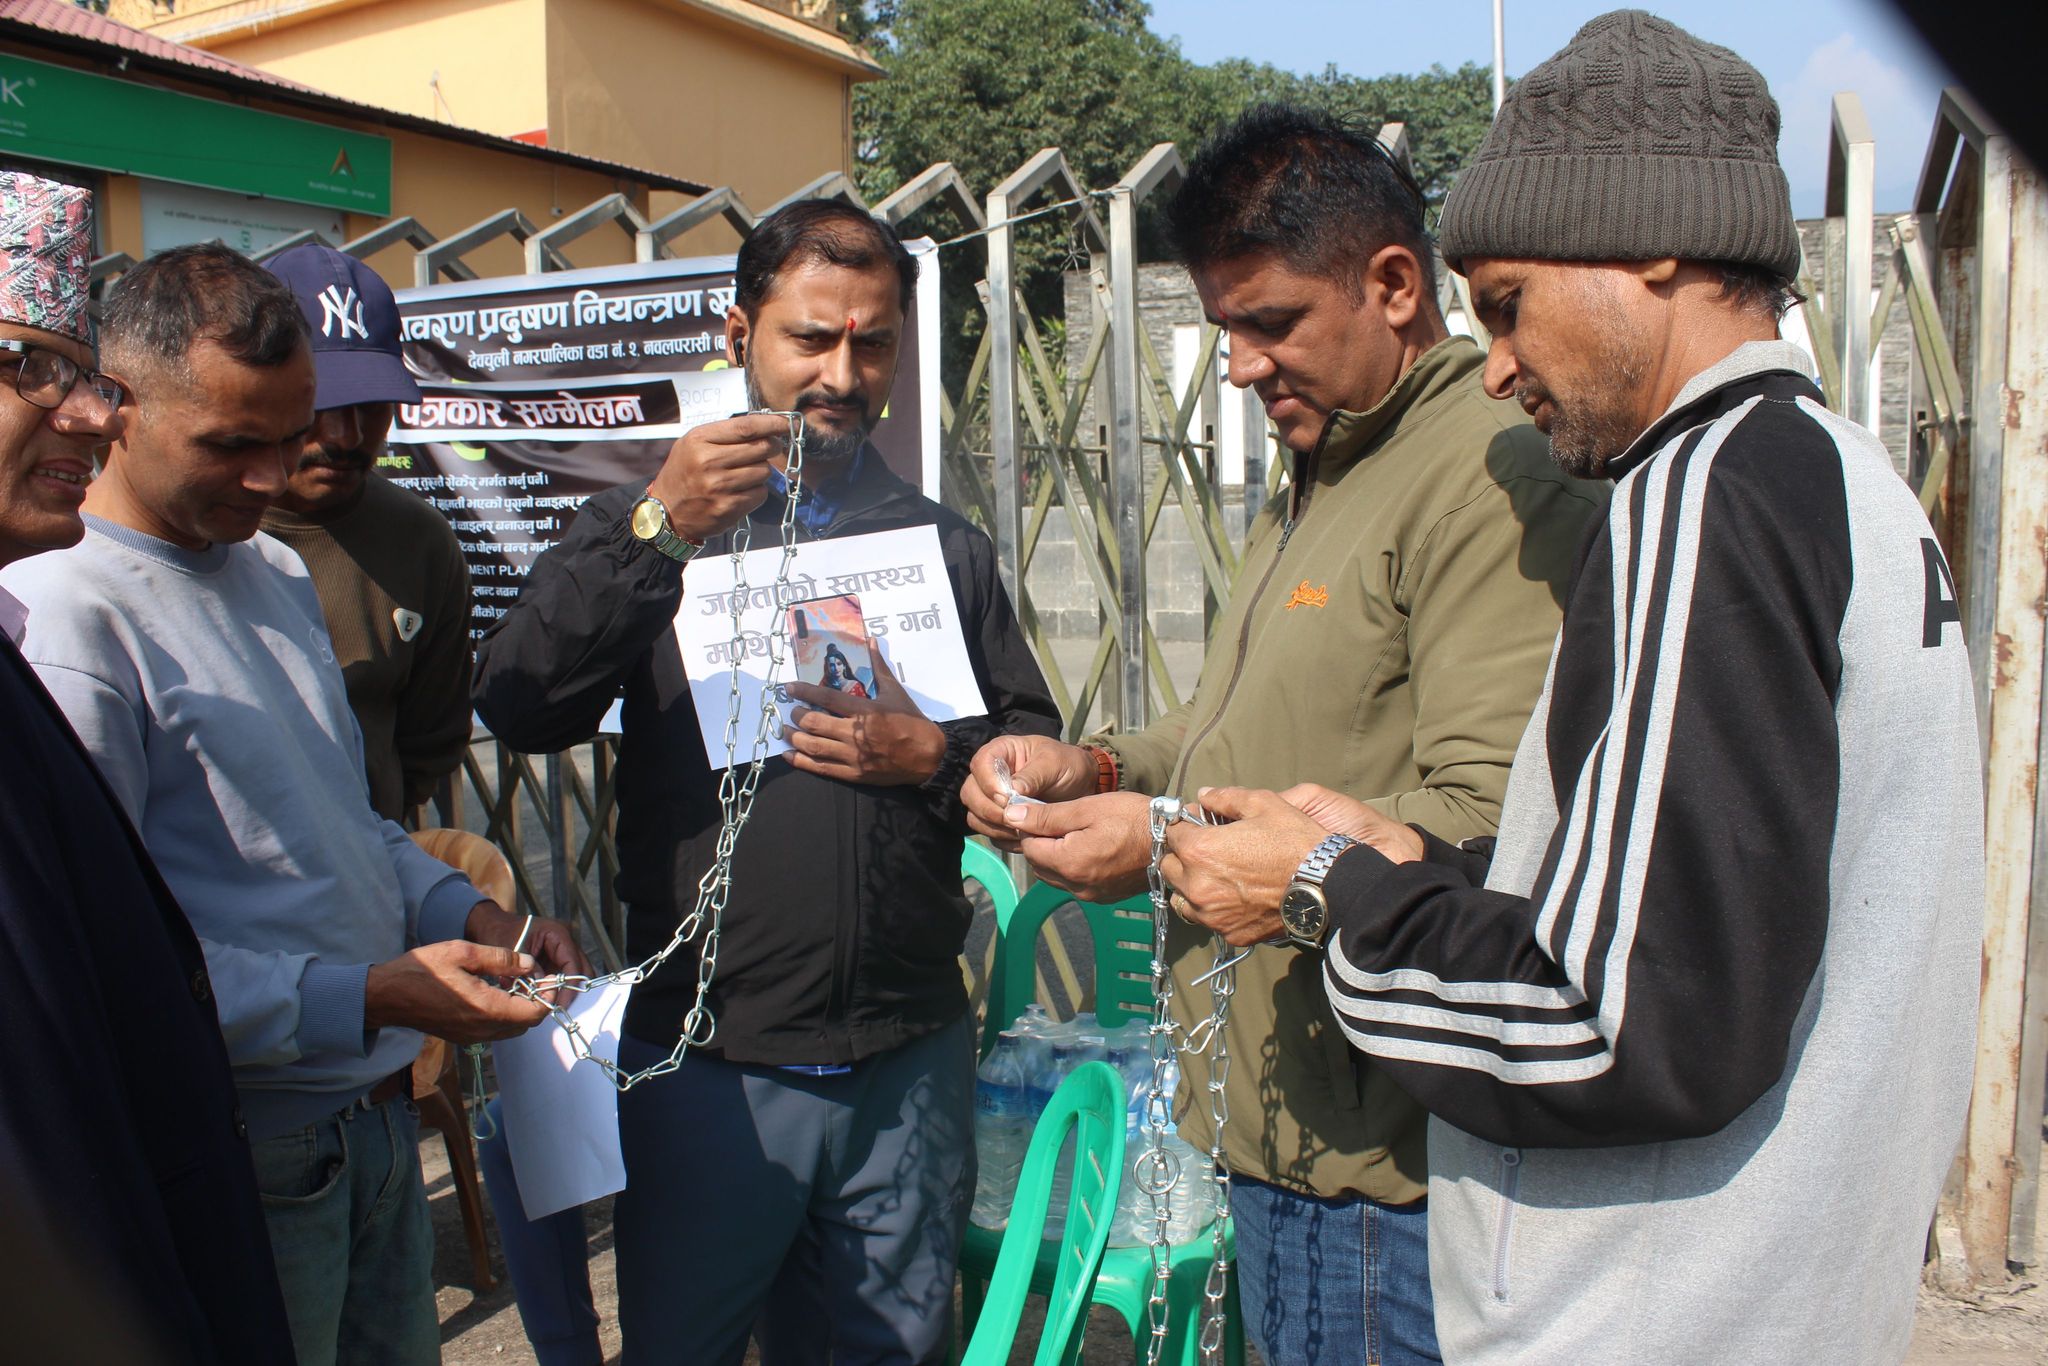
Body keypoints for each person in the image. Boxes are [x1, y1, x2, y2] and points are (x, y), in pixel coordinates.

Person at [1156, 13, 1983, 1364]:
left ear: (1649, 246)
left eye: (1508, 304)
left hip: (1647, 1315)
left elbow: (1611, 1025)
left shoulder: (1701, 489)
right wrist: (1422, 860)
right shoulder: (1844, 483)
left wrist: (1324, 888)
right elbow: (1687, 906)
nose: (1493, 364)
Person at [963, 106, 1605, 1364]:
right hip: (1272, 1123)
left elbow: (1486, 831)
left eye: (1272, 325)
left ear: (1391, 284)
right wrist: (1090, 768)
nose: (1244, 367)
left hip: (1381, 1164)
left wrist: (1153, 845)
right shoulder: (1322, 469)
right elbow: (1224, 740)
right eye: (1226, 332)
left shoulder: (1482, 475)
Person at [472, 199, 1060, 1365]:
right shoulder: (651, 528)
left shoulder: (941, 547)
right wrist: (656, 527)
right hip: (710, 1066)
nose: (842, 374)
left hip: (904, 1059)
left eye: (873, 342)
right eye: (810, 340)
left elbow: (1026, 753)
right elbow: (521, 702)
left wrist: (935, 756)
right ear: (738, 332)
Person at [0, 242, 589, 1366]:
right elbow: (116, 972)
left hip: (372, 1131)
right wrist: (373, 994)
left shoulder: (266, 568)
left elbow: (349, 821)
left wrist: (463, 918)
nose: (274, 477)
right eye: (232, 443)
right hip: (248, 1154)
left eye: (293, 435)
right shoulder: (64, 617)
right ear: (116, 410)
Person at [0, 171, 297, 1366]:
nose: (84, 416)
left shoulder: (264, 575)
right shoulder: (69, 622)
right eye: (29, 365)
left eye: (87, 377)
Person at [260, 242, 472, 824]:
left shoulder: (421, 543)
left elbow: (431, 738)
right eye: (318, 401)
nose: (346, 435)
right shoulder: (195, 532)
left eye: (371, 404)